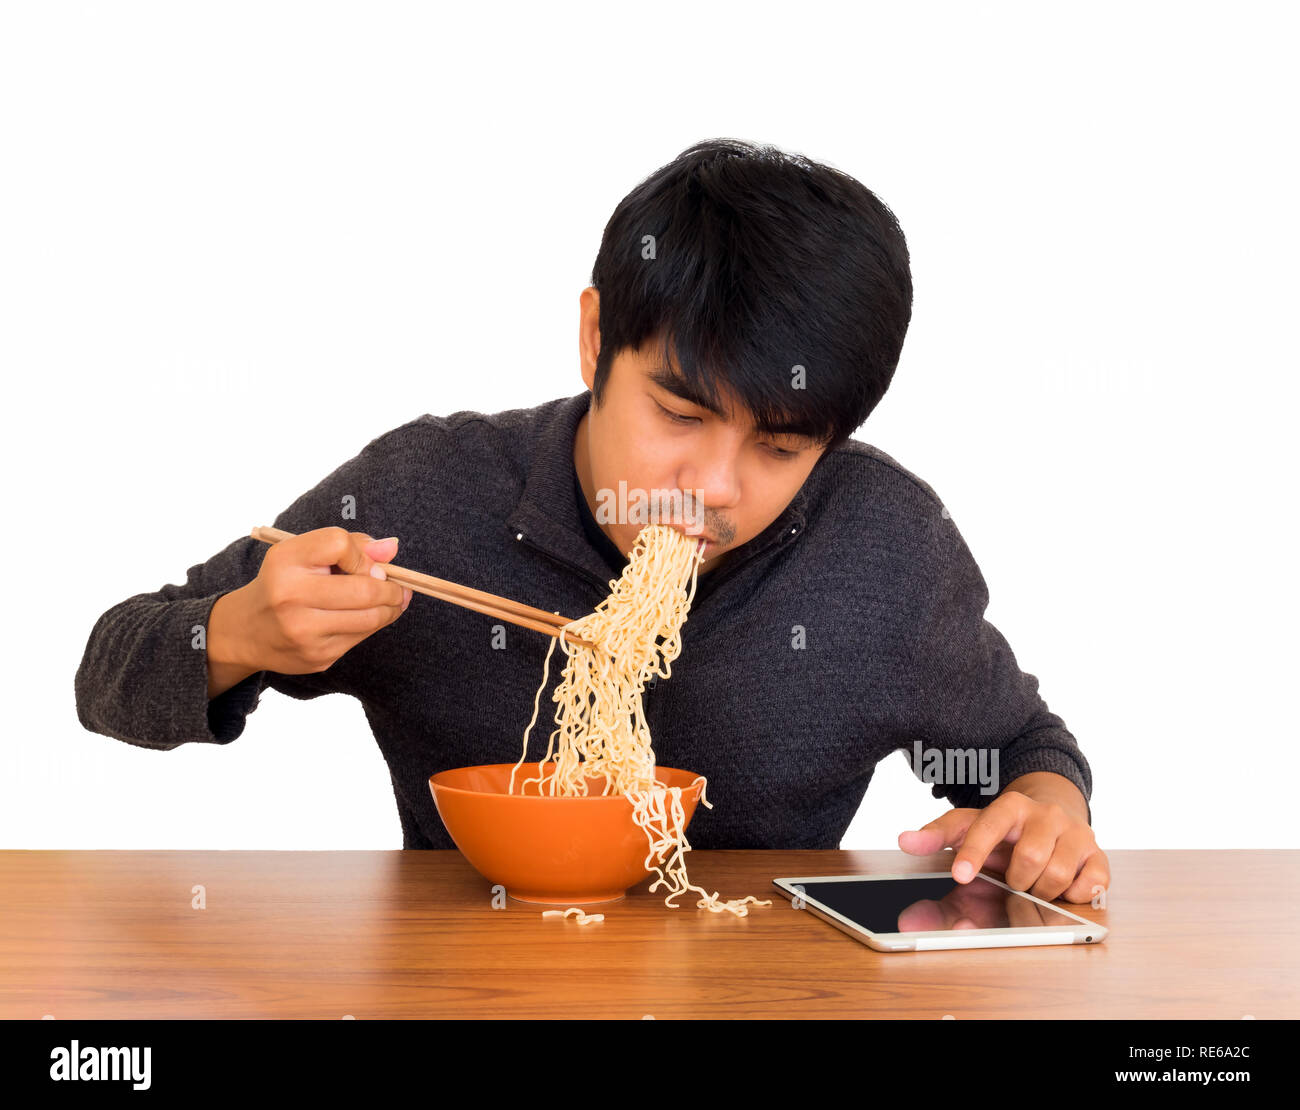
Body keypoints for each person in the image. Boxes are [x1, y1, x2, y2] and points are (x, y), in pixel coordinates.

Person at [75, 137, 1109, 905]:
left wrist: (1045, 805)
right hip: (472, 992)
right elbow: (108, 673)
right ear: (593, 338)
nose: (712, 484)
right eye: (678, 414)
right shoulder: (427, 498)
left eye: (781, 448)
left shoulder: (883, 547)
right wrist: (236, 637)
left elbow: (1017, 744)